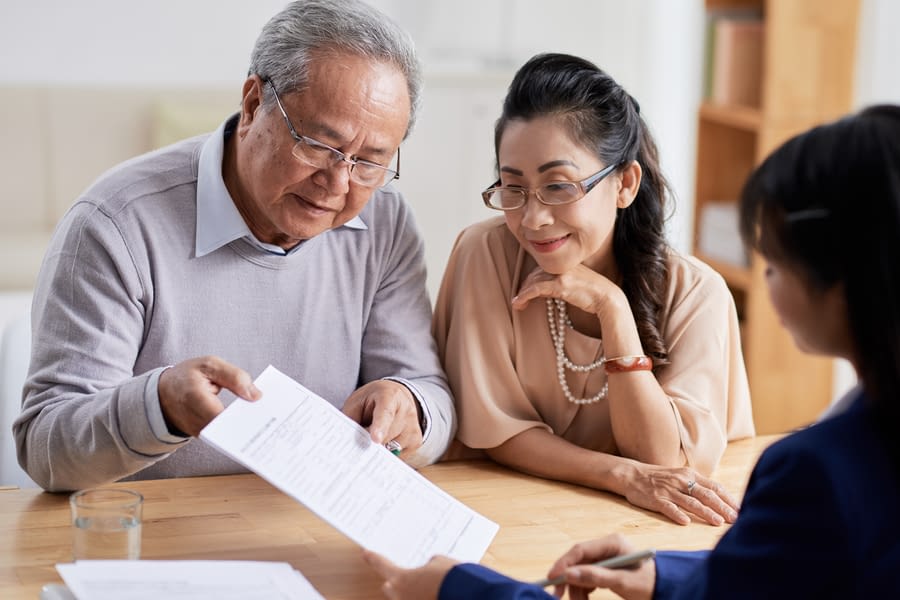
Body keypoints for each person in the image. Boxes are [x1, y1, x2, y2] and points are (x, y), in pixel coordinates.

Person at [364, 104, 900, 598]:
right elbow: (766, 577)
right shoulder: (847, 454)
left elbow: (750, 570)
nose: (533, 218)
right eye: (513, 188)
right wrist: (665, 575)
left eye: (776, 259)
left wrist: (459, 589)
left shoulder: (814, 471)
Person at [13, 0, 455, 492]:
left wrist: (410, 408)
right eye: (318, 145)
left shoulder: (385, 220)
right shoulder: (116, 223)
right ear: (252, 104)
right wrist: (158, 408)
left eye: (369, 162)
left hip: (311, 524)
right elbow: (47, 450)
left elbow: (432, 399)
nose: (338, 183)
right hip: (157, 527)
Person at [432, 53, 754, 525]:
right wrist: (622, 476)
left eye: (558, 186)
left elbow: (666, 460)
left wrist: (612, 308)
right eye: (513, 188)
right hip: (507, 514)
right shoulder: (485, 253)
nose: (533, 219)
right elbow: (496, 430)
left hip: (648, 530)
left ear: (625, 184)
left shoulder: (697, 293)